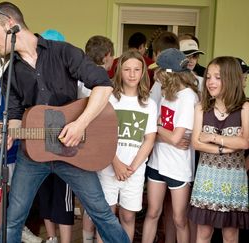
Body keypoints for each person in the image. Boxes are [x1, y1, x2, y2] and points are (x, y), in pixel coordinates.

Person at [0, 2, 129, 242]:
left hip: (73, 150)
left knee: (100, 212)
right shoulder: (10, 71)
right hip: (33, 155)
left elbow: (103, 85)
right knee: (13, 218)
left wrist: (80, 124)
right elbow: (15, 117)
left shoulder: (62, 51)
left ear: (10, 25)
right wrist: (10, 132)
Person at [97, 50, 157, 242]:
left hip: (134, 170)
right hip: (108, 166)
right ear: (119, 71)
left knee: (128, 216)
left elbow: (149, 138)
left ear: (143, 73)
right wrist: (116, 163)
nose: (132, 74)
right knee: (106, 217)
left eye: (137, 70)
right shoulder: (109, 99)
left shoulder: (149, 103)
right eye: (127, 69)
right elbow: (101, 134)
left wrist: (131, 167)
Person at [189, 56, 249, 243]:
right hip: (206, 176)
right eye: (208, 77)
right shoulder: (201, 108)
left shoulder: (245, 108)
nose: (210, 82)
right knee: (203, 234)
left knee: (230, 235)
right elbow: (197, 144)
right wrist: (227, 147)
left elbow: (245, 143)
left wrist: (214, 138)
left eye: (217, 77)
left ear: (230, 79)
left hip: (234, 179)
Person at [141, 48, 199, 243]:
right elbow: (160, 132)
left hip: (178, 167)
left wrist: (157, 129)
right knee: (152, 213)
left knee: (179, 219)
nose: (155, 75)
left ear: (169, 73)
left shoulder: (188, 96)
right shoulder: (167, 92)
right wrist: (159, 131)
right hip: (157, 162)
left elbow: (176, 139)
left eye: (159, 71)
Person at [37, 29, 74, 243]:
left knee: (63, 198)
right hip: (40, 147)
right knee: (45, 196)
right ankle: (52, 238)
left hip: (66, 149)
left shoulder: (72, 77)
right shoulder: (35, 77)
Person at [79, 34, 115, 243]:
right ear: (107, 56)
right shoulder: (103, 82)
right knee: (99, 199)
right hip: (99, 144)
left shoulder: (79, 78)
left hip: (81, 145)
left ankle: (86, 238)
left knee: (88, 197)